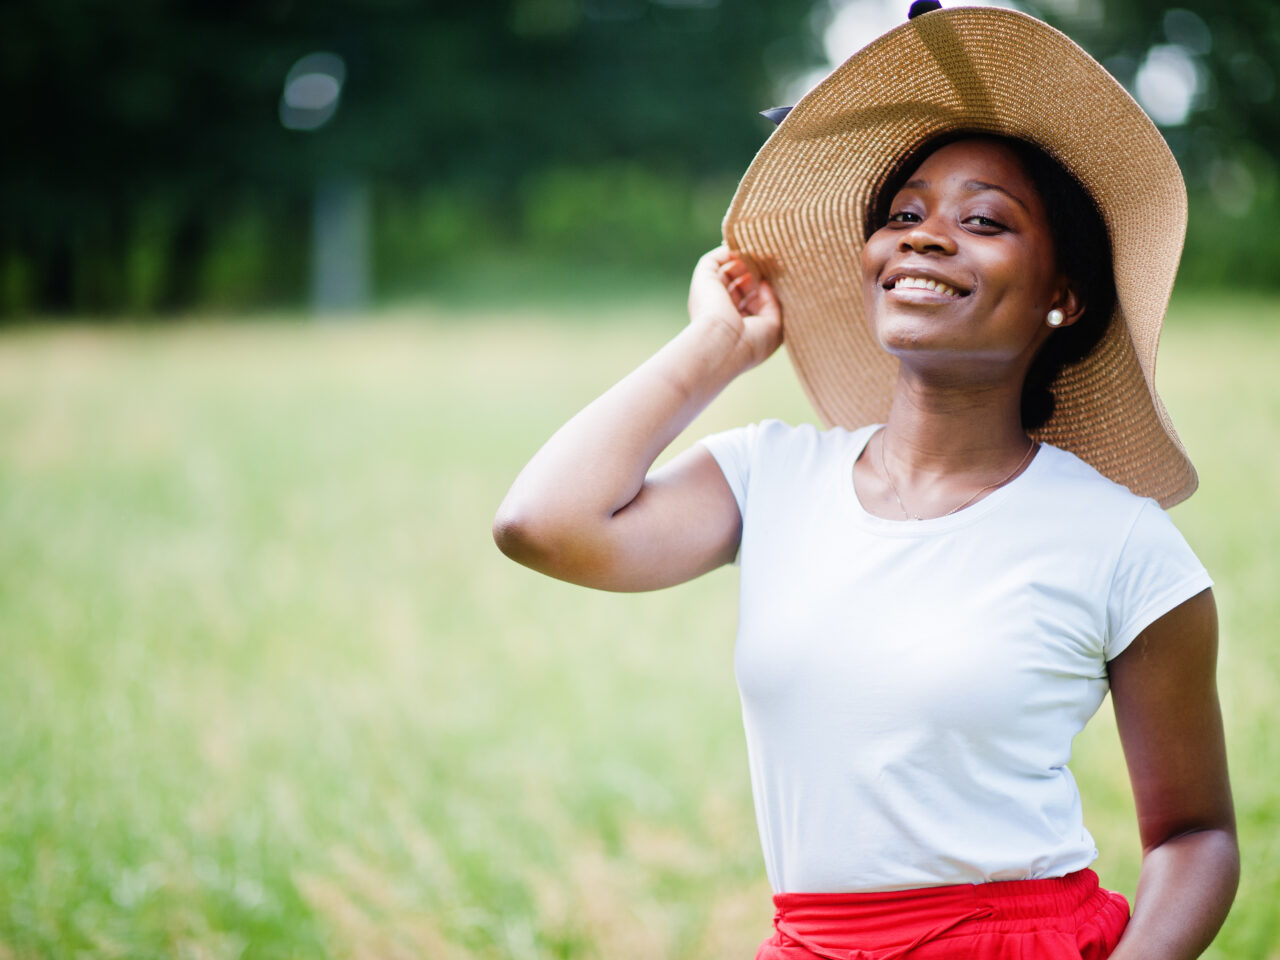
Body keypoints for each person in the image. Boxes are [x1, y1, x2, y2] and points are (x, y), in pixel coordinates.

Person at [493, 4, 1237, 958]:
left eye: (983, 221)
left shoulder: (1123, 543)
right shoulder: (771, 477)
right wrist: (714, 349)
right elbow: (541, 524)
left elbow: (1196, 836)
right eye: (903, 214)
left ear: (1064, 295)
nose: (925, 238)